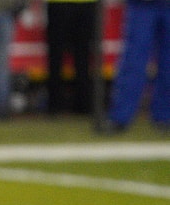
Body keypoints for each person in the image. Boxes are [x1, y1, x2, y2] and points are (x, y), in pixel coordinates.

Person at [99, 0, 169, 133]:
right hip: (142, 5)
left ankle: (165, 116)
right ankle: (120, 117)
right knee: (133, 61)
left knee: (166, 63)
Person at [45, 0, 98, 115]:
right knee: (81, 58)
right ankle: (82, 105)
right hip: (82, 5)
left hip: (62, 5)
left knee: (58, 58)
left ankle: (56, 106)